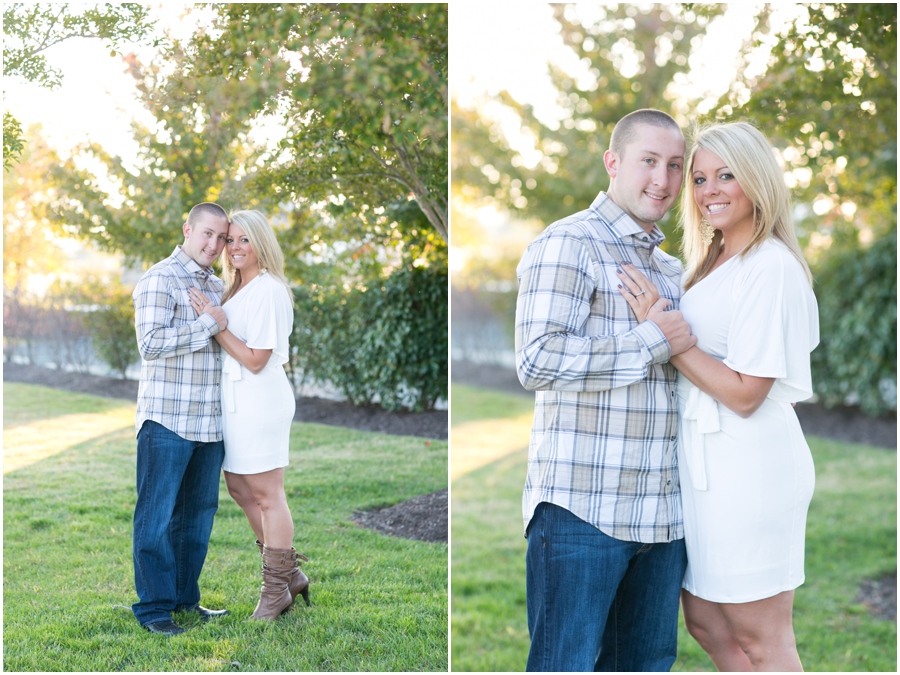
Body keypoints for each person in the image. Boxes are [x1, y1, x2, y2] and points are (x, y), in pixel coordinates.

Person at [617, 122, 819, 671]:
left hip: (750, 466)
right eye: (700, 178)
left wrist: (665, 333)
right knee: (707, 624)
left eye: (726, 175)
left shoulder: (769, 265)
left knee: (762, 638)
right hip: (704, 468)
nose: (709, 190)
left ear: (757, 180)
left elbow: (748, 392)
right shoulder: (711, 262)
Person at [514, 109, 697, 672]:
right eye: (648, 161)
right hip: (583, 513)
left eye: (674, 166)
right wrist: (649, 340)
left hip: (662, 518)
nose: (662, 181)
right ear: (613, 163)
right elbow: (536, 359)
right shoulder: (569, 242)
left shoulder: (671, 269)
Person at [188, 209, 309, 621]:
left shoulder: (269, 289)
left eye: (244, 240)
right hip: (236, 404)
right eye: (231, 240)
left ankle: (275, 591)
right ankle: (290, 574)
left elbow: (257, 359)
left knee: (267, 495)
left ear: (261, 244)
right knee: (240, 489)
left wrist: (217, 325)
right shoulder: (237, 287)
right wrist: (218, 317)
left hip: (261, 401)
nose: (235, 247)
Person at [131, 202, 232, 636]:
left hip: (209, 425)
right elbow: (150, 344)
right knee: (155, 519)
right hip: (167, 421)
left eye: (222, 238)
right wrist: (208, 324)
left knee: (195, 521)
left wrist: (217, 320)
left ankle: (185, 600)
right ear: (188, 229)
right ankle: (154, 609)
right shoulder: (160, 279)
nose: (214, 244)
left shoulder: (218, 285)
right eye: (207, 234)